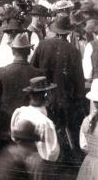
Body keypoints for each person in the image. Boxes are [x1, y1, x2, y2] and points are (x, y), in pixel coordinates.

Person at [31, 13, 86, 162]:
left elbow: (33, 69)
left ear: (54, 30)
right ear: (68, 32)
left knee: (47, 128)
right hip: (65, 97)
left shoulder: (42, 45)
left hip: (43, 95)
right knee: (65, 128)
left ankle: (48, 157)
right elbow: (79, 80)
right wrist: (79, 99)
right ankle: (64, 157)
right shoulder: (73, 51)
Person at [10, 76, 61, 180]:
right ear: (46, 96)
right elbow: (52, 153)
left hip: (21, 159)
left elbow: (14, 136)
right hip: (40, 163)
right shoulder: (45, 122)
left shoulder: (20, 112)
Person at [0, 33, 43, 151]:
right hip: (28, 126)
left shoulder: (3, 71)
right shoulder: (37, 73)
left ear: (13, 51)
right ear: (28, 52)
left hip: (6, 124)